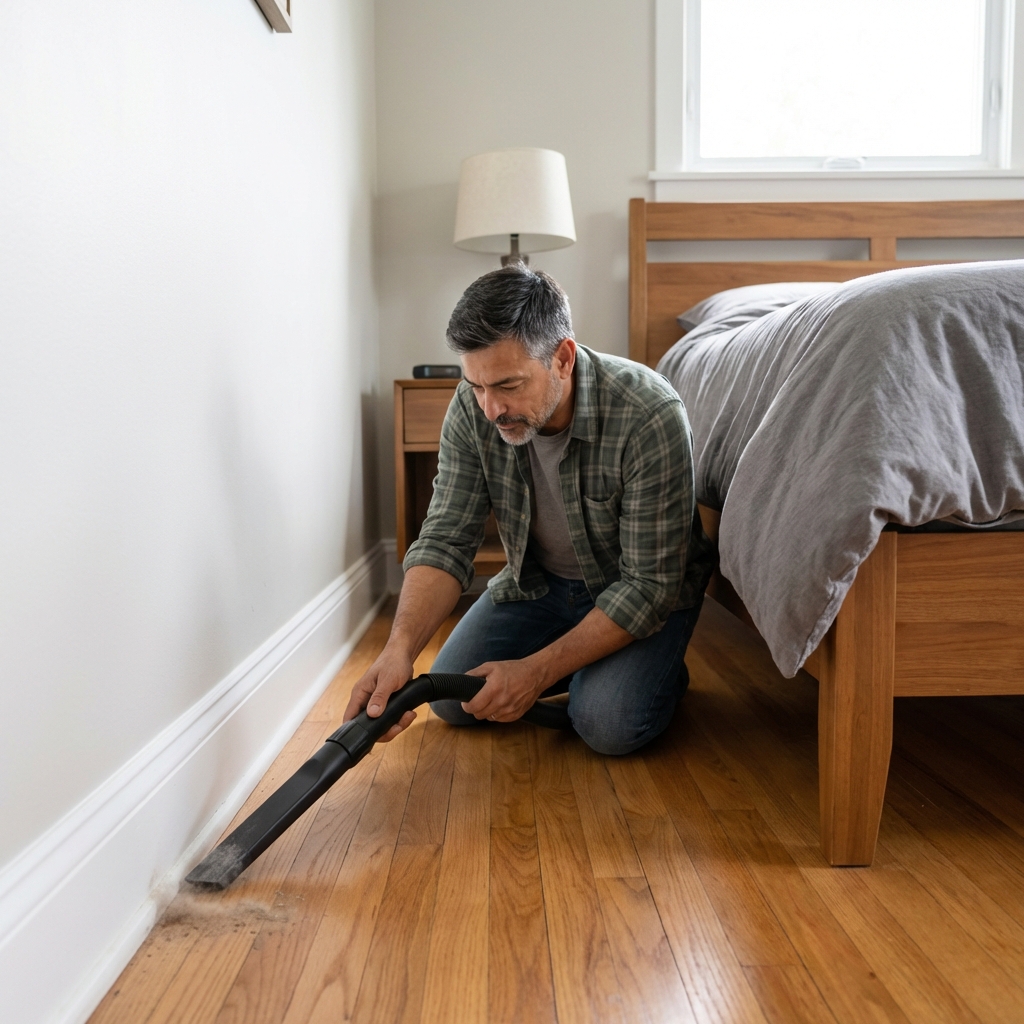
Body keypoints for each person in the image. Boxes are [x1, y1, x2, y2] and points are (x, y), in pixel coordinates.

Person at [344, 264, 715, 754]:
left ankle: (646, 670)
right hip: (538, 585)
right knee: (452, 700)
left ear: (563, 357)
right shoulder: (472, 406)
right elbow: (445, 538)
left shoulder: (649, 414)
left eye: (508, 385)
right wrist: (398, 651)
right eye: (477, 386)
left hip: (635, 592)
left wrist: (535, 673)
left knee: (607, 725)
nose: (491, 408)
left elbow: (648, 587)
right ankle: (592, 667)